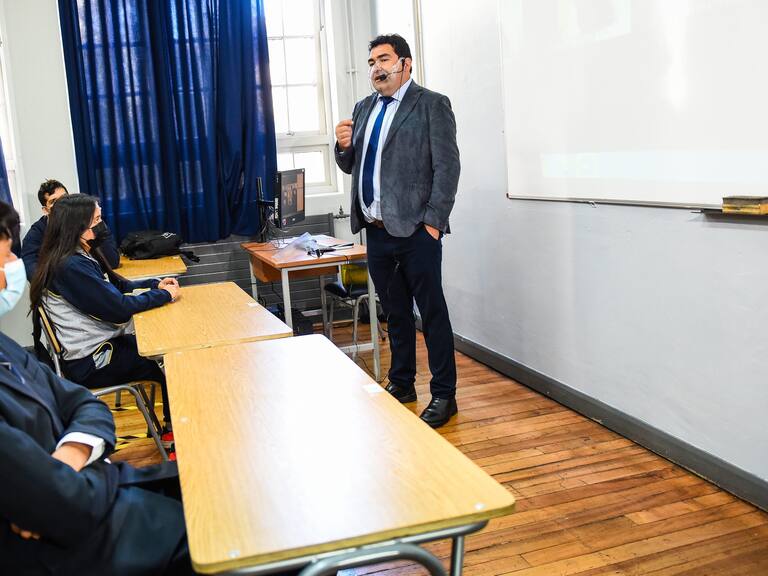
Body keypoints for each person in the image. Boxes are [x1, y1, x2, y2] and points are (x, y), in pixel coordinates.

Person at [0, 200, 194, 575]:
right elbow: (60, 503)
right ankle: (173, 437)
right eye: (5, 255)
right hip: (89, 534)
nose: (10, 271)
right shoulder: (70, 265)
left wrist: (72, 455)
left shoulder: (7, 344)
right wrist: (92, 459)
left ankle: (177, 443)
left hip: (102, 489)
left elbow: (83, 406)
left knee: (220, 490)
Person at [334, 34, 461, 428]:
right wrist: (341, 148)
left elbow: (448, 168)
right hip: (376, 231)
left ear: (406, 63)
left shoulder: (431, 105)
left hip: (416, 232)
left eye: (384, 59)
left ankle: (444, 395)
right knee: (394, 313)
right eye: (371, 61)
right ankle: (403, 383)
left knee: (432, 312)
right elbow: (353, 166)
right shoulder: (364, 107)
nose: (376, 67)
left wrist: (433, 224)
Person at [29, 194, 179, 439]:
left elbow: (116, 286)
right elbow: (117, 308)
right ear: (77, 227)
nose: (101, 224)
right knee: (169, 364)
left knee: (159, 355)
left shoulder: (79, 254)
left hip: (100, 346)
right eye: (96, 219)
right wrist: (164, 296)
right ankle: (174, 436)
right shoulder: (70, 266)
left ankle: (170, 429)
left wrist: (155, 284)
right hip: (90, 361)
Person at [21, 179, 120, 280]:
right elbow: (30, 267)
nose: (62, 204)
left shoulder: (89, 221)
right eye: (54, 201)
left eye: (64, 198)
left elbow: (112, 261)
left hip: (92, 277)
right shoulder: (37, 233)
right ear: (46, 210)